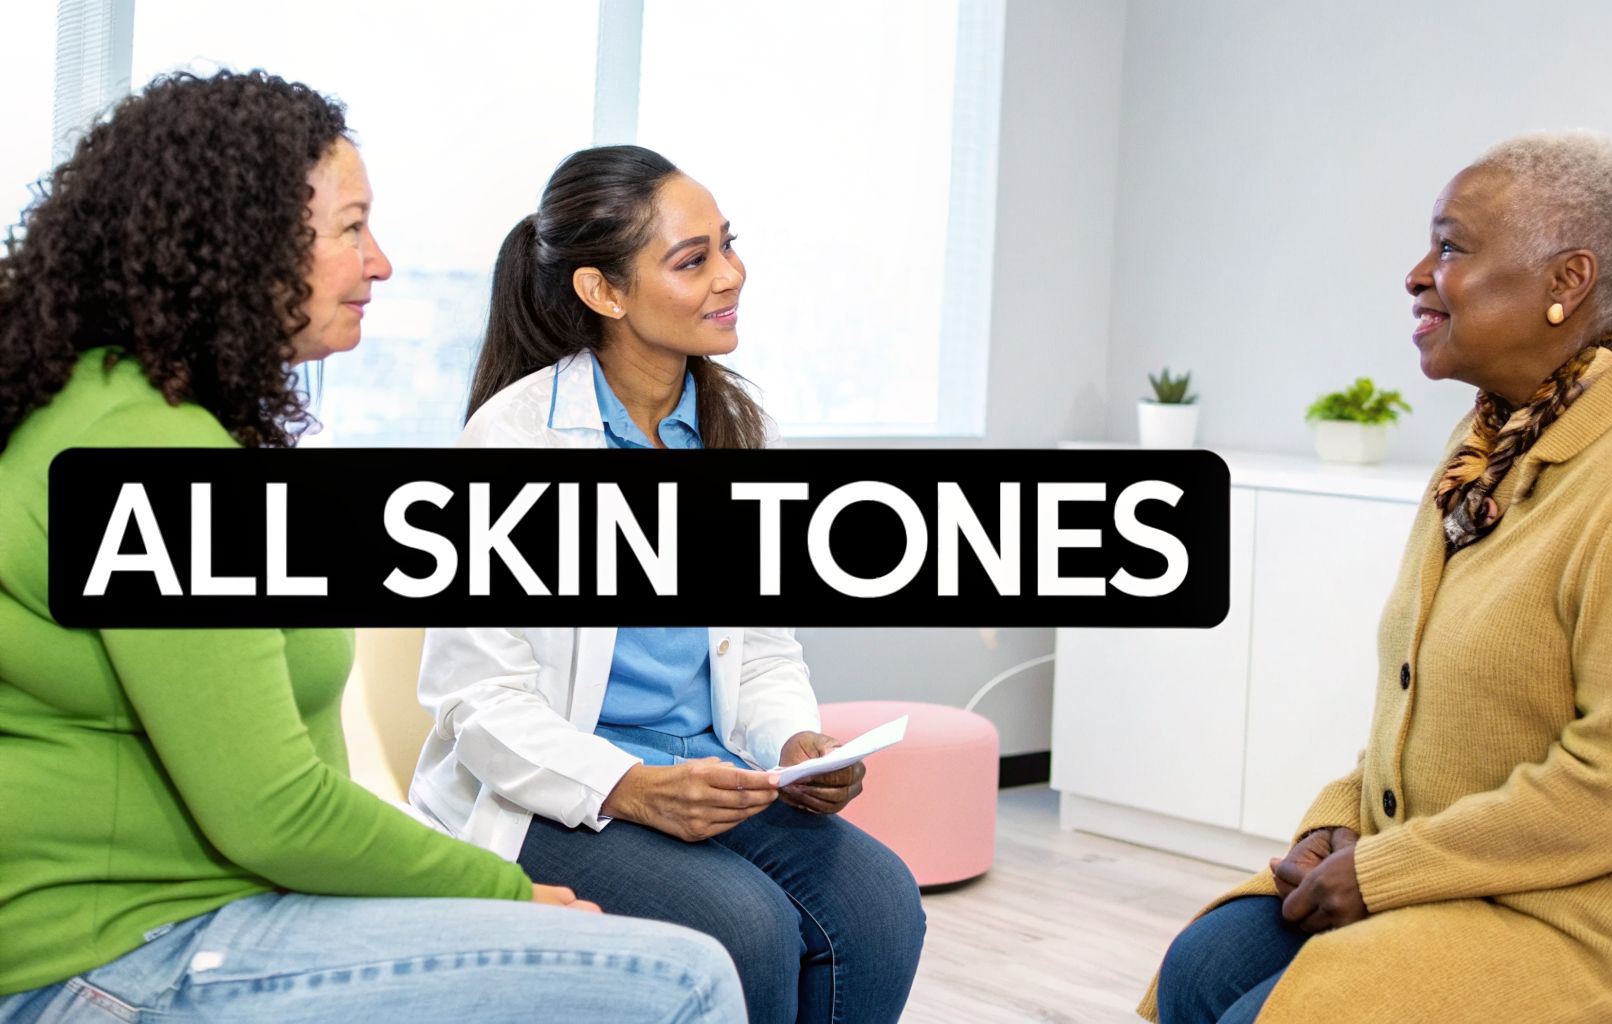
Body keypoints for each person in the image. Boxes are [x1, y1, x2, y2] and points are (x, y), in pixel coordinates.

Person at [0, 71, 745, 1023]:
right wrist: (501, 892)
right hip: (121, 955)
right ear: (240, 242)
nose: (381, 262)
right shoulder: (152, 452)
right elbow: (274, 809)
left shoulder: (124, 410)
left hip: (204, 911)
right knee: (684, 978)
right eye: (351, 229)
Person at [1144, 131, 1612, 1022]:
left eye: (1451, 247)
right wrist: (1341, 819)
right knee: (1203, 965)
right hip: (1489, 870)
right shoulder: (1494, 440)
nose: (1418, 274)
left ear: (1567, 281)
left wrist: (1383, 871)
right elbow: (1427, 701)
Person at [410, 145, 926, 1024]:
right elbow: (478, 701)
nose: (732, 275)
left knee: (880, 904)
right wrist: (633, 787)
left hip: (711, 772)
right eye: (693, 260)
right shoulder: (513, 444)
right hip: (556, 788)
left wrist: (792, 742)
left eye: (728, 244)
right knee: (745, 926)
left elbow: (758, 646)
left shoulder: (737, 431)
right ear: (603, 292)